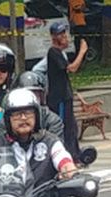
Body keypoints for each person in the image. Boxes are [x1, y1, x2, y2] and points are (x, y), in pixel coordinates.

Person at [45, 21, 88, 157]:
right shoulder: (53, 52)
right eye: (60, 34)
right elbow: (72, 68)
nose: (64, 36)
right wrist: (82, 52)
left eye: (64, 33)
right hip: (59, 98)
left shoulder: (60, 53)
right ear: (54, 37)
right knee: (63, 127)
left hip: (65, 96)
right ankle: (64, 155)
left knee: (71, 127)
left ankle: (74, 154)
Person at [8, 71, 64, 136]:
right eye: (27, 95)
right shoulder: (8, 118)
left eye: (35, 94)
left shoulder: (52, 120)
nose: (32, 100)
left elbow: (57, 144)